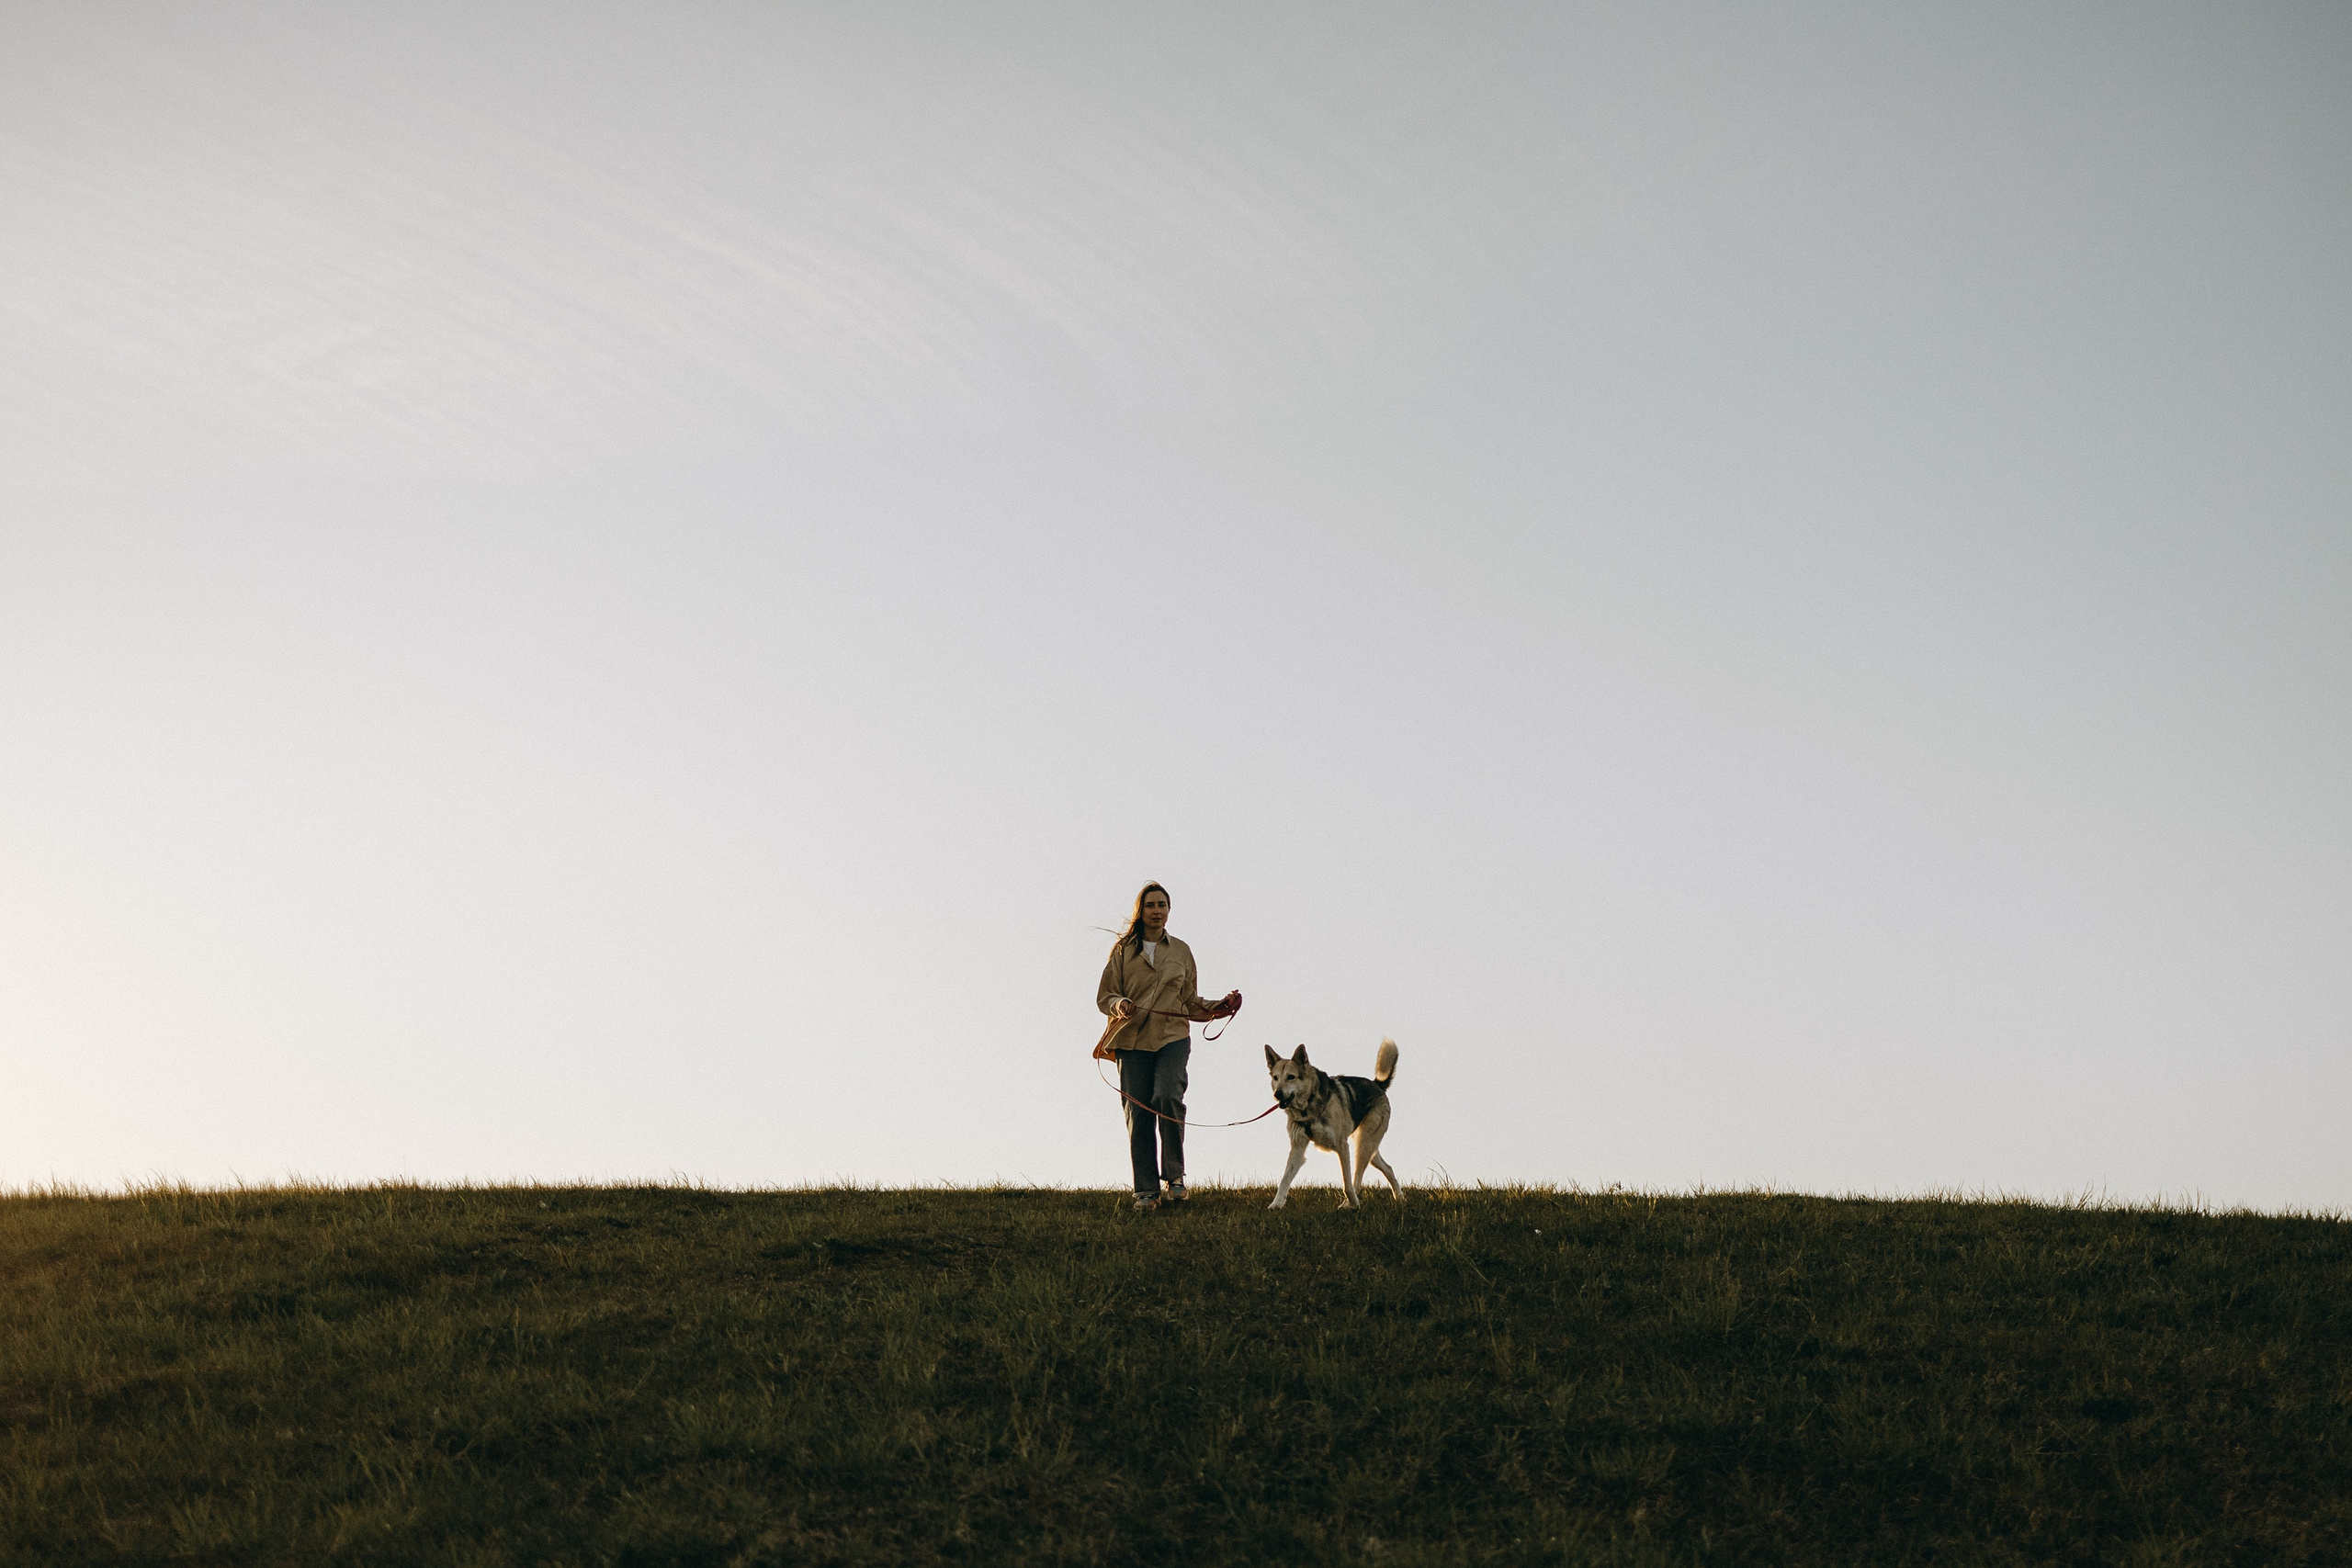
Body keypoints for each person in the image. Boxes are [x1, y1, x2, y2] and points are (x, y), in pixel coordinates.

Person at [1096, 881, 1239, 1213]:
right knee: (1139, 1111)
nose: (1157, 911)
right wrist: (1120, 1004)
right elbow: (1105, 996)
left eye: (1162, 905)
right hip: (1132, 1040)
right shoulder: (1122, 951)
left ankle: (1174, 1176)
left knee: (1167, 1096)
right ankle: (1146, 1191)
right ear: (1140, 911)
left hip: (1172, 1036)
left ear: (1169, 911)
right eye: (1150, 905)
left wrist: (1221, 1005)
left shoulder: (1182, 951)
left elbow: (1189, 1001)